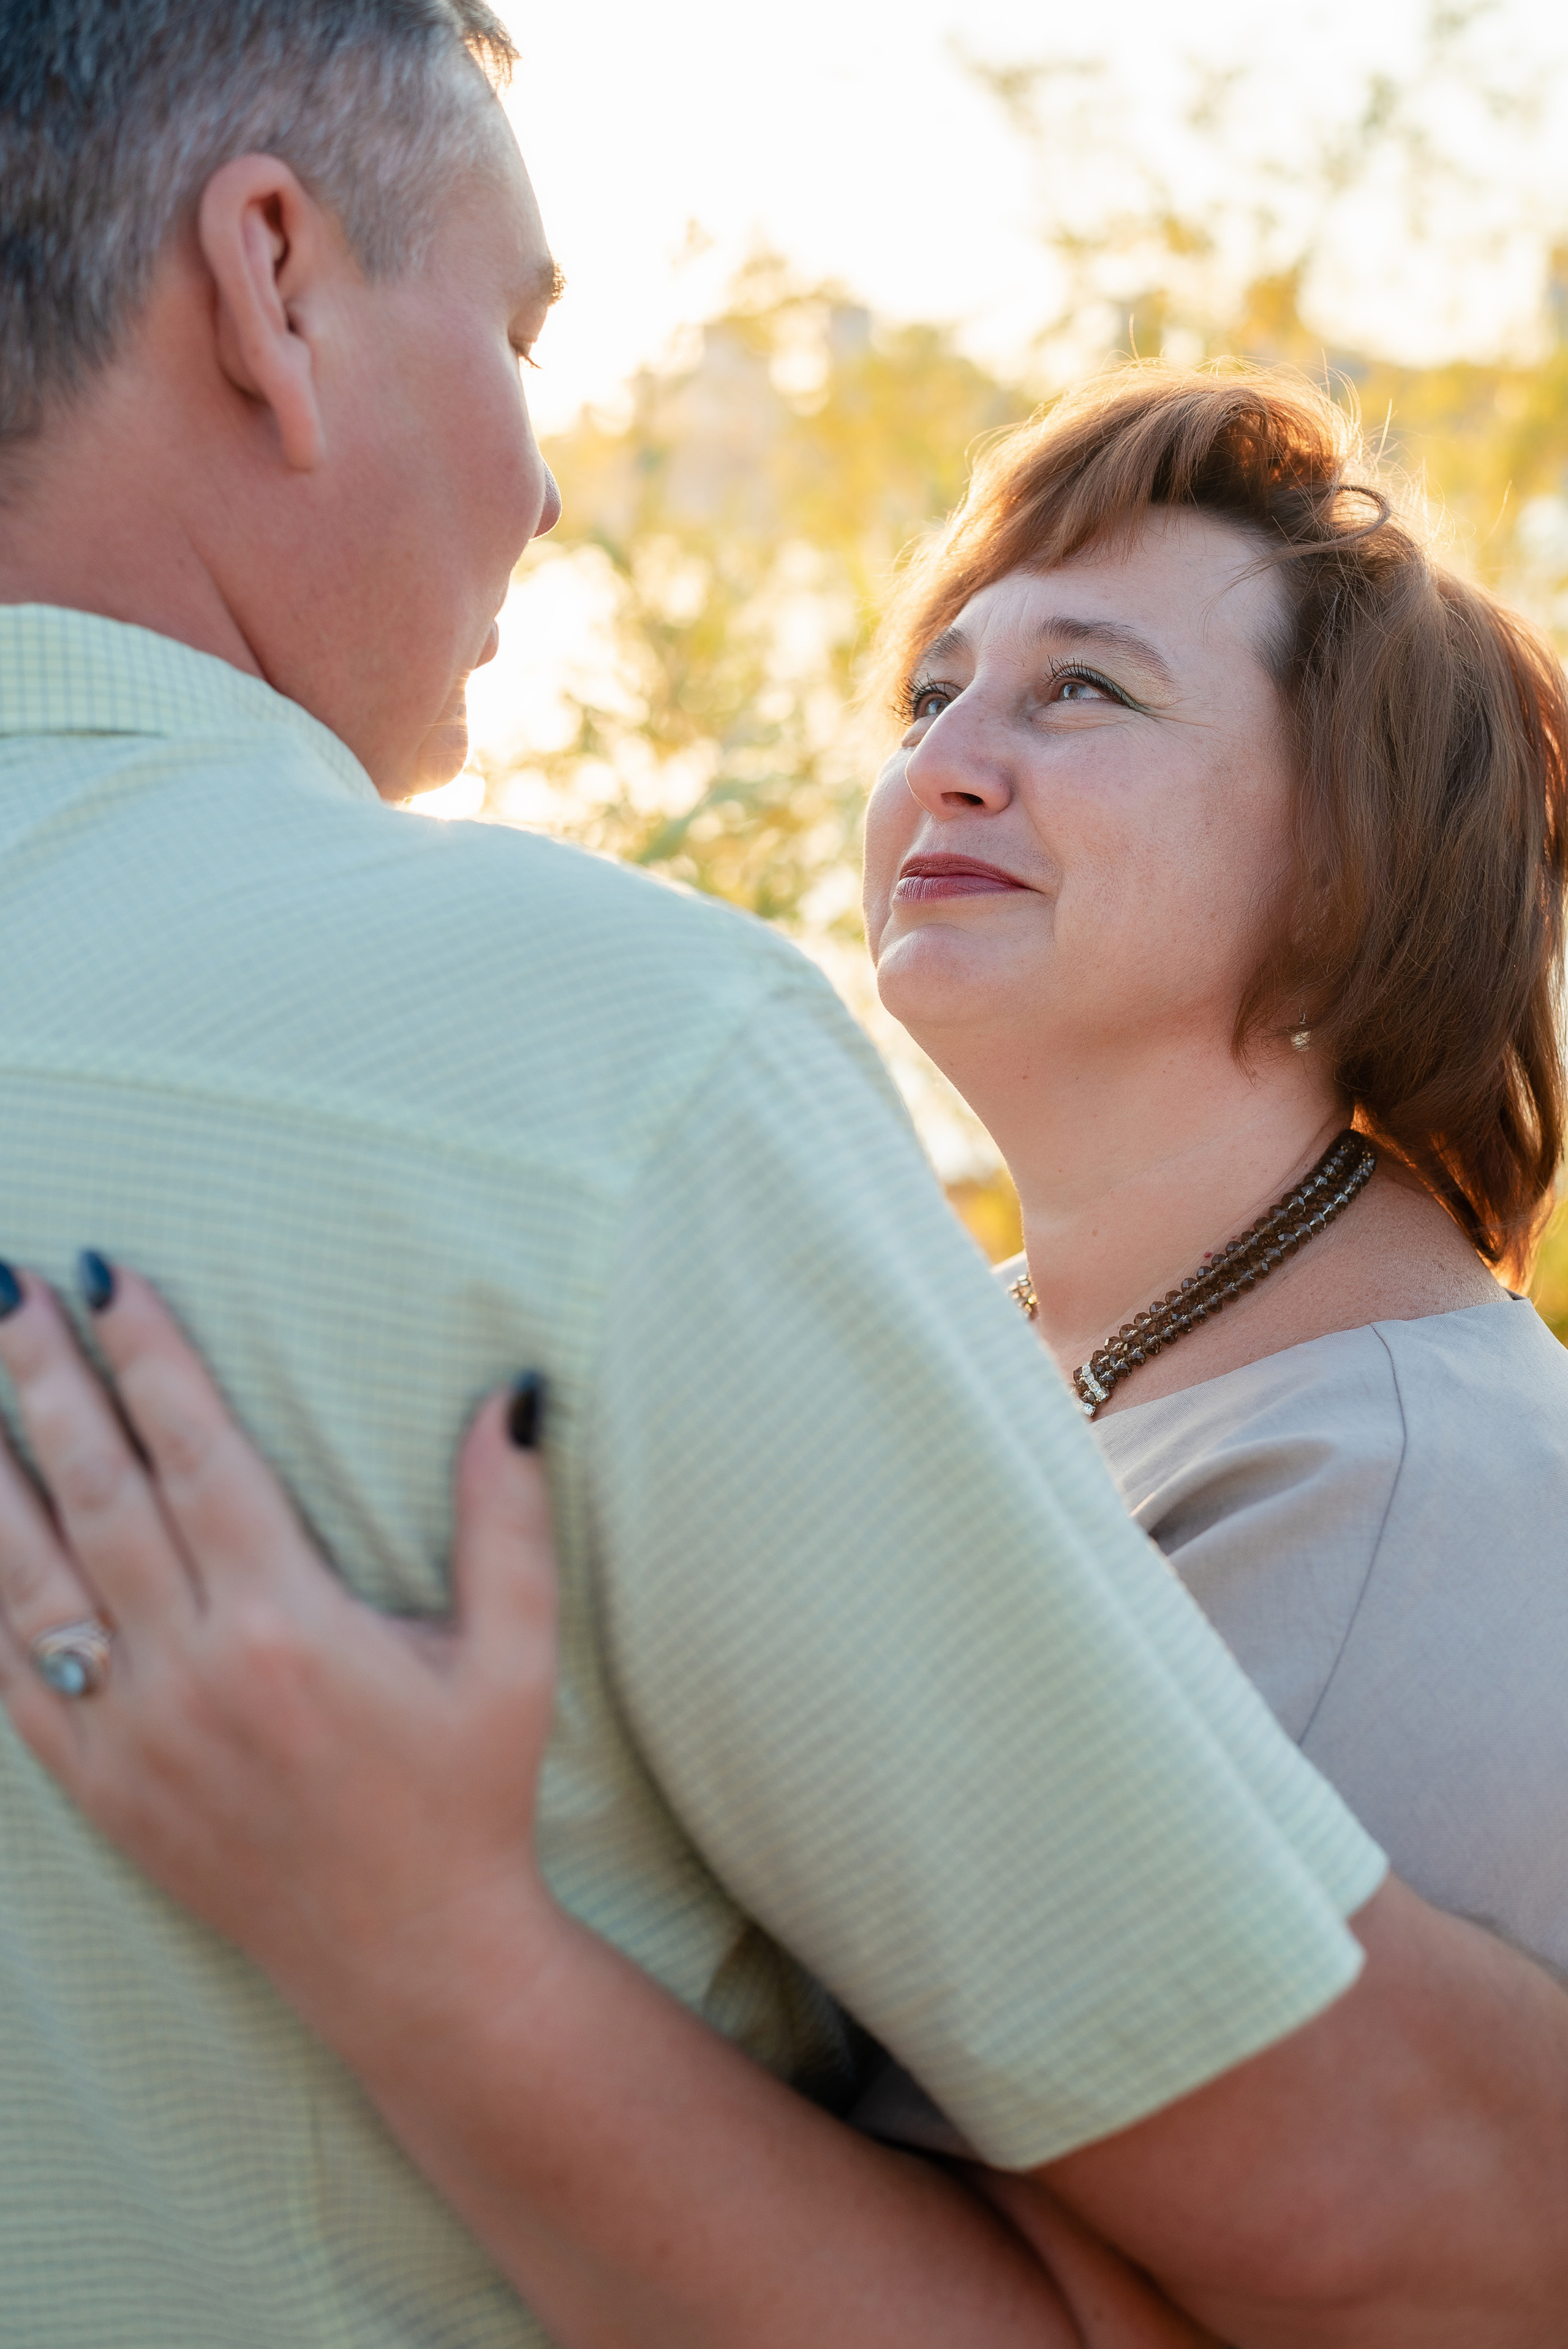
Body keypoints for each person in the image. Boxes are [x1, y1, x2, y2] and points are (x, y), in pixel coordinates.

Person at [1, 6, 1567, 2347]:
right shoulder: (667, 1120)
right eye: (932, 692)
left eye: (1083, 691)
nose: (947, 761)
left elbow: (1430, 2248)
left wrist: (435, 1946)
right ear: (269, 284)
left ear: (1359, 857)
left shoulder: (1420, 1483)